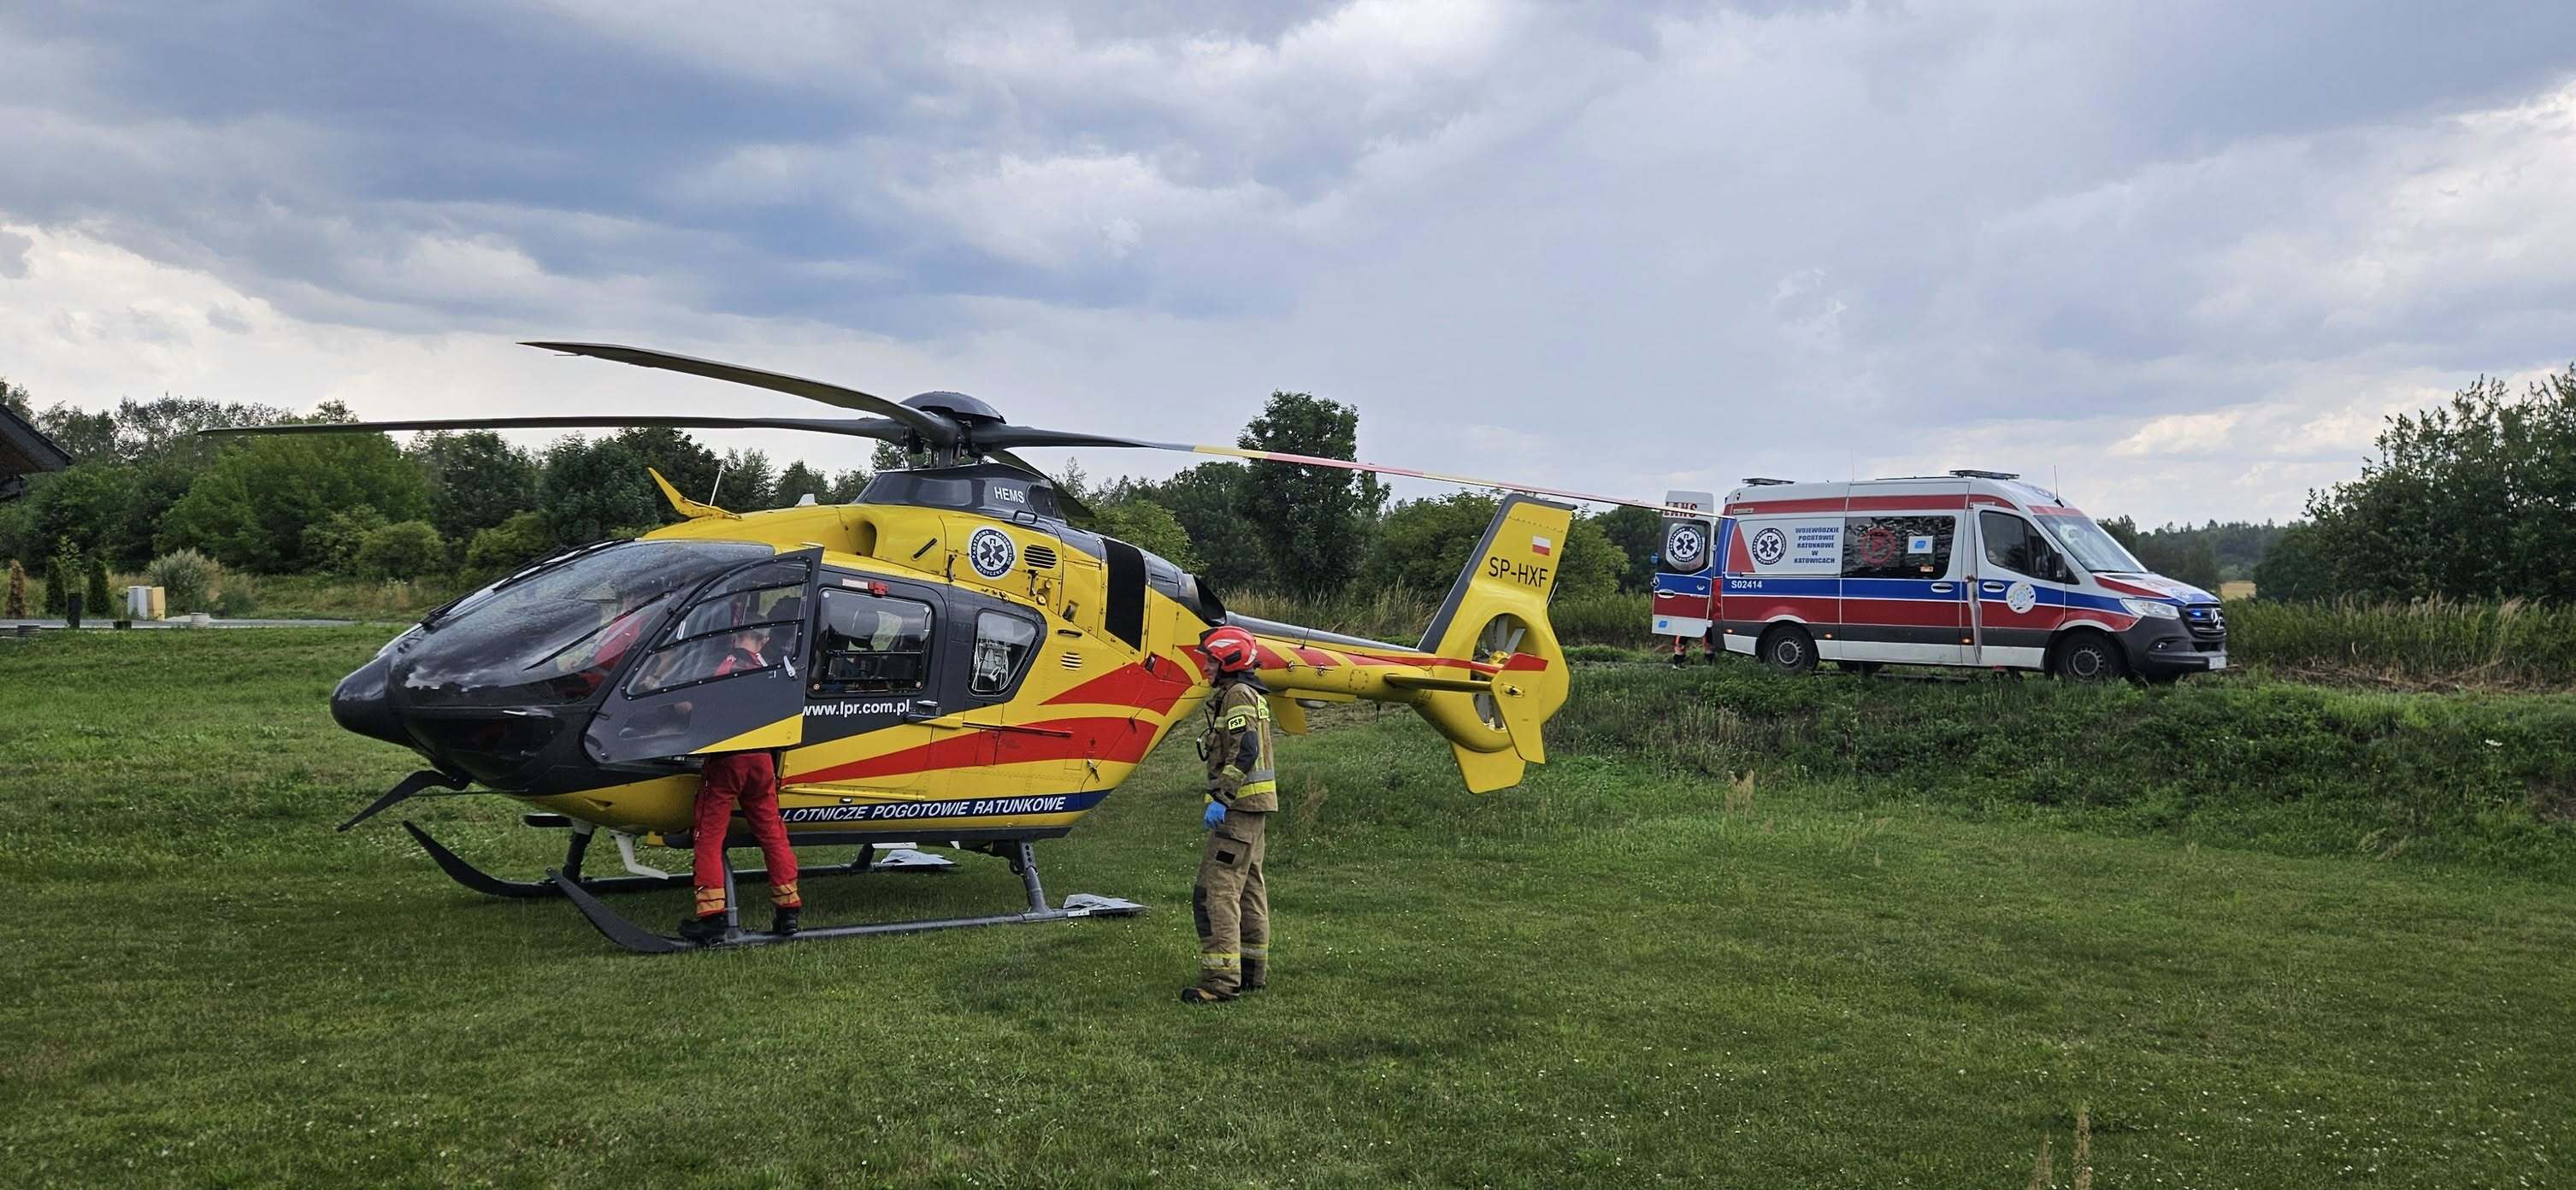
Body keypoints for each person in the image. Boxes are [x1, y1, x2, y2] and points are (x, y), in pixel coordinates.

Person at [678, 625, 804, 943]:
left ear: (735, 637)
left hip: (729, 760)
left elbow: (697, 707)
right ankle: (788, 912)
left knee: (708, 836)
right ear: (764, 640)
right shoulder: (771, 670)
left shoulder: (726, 665)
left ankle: (712, 918)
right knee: (773, 834)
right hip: (762, 761)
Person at [1182, 625, 1277, 1004]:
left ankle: (1220, 983)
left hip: (1238, 811)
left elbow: (1245, 748)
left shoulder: (1237, 694)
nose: (1205, 667)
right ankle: (1253, 971)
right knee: (1250, 888)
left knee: (1215, 892)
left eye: (1211, 660)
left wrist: (1222, 796)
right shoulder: (1249, 692)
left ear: (1228, 662)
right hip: (1254, 812)